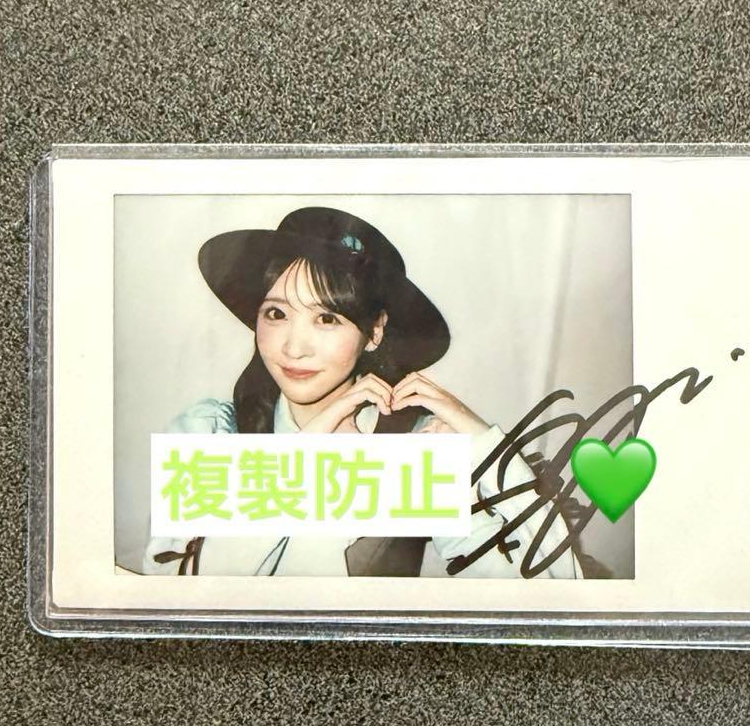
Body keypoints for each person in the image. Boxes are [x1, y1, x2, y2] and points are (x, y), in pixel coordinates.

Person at [141, 206, 581, 578]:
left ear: (374, 333)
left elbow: (556, 591)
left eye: (327, 319)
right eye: (276, 314)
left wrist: (486, 444)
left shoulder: (413, 448)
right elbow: (176, 594)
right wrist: (305, 458)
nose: (293, 347)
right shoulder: (209, 432)